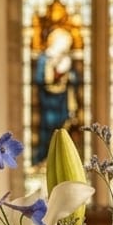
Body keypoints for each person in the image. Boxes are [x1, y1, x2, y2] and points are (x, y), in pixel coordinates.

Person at [33, 27, 79, 165]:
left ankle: (62, 162)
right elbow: (40, 79)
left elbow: (76, 80)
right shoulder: (44, 59)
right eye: (63, 43)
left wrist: (69, 75)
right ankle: (45, 159)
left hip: (63, 102)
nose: (65, 47)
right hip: (48, 103)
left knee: (64, 129)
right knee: (49, 130)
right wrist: (55, 71)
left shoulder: (66, 59)